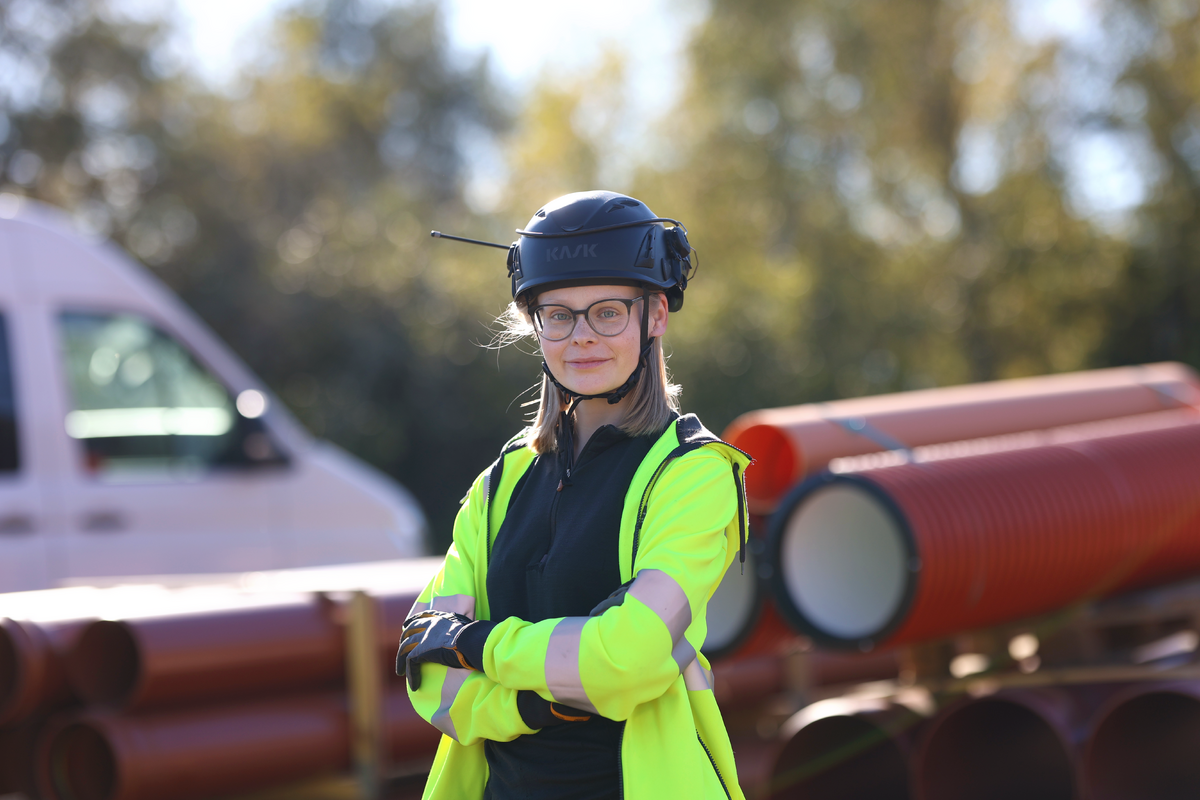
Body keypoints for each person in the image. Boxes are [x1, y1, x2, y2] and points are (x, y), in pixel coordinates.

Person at [397, 190, 750, 800]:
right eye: (558, 315)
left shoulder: (694, 473)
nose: (581, 336)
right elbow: (426, 671)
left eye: (607, 312)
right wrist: (540, 705)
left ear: (656, 315)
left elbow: (628, 656)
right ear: (535, 324)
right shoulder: (499, 483)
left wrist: (476, 643)